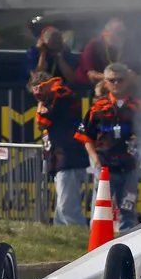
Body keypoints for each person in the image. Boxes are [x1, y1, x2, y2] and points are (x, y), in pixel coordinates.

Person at [75, 62, 141, 232]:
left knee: (128, 209)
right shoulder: (98, 107)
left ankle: (127, 244)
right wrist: (95, 160)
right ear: (106, 82)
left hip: (129, 166)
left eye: (120, 80)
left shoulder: (137, 107)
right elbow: (86, 136)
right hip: (104, 166)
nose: (116, 84)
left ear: (127, 81)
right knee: (101, 209)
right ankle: (97, 244)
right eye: (112, 80)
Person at [28, 71, 90, 226]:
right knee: (61, 209)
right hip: (60, 156)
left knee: (68, 208)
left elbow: (41, 122)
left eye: (39, 90)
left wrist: (40, 103)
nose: (38, 95)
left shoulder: (60, 93)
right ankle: (62, 238)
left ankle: (82, 239)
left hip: (69, 155)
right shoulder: (56, 94)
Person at [76, 18, 141, 92]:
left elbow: (137, 75)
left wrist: (132, 77)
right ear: (105, 33)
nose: (122, 38)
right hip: (88, 89)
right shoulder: (93, 45)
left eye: (124, 34)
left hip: (117, 87)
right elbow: (92, 75)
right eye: (118, 33)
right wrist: (114, 77)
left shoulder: (129, 46)